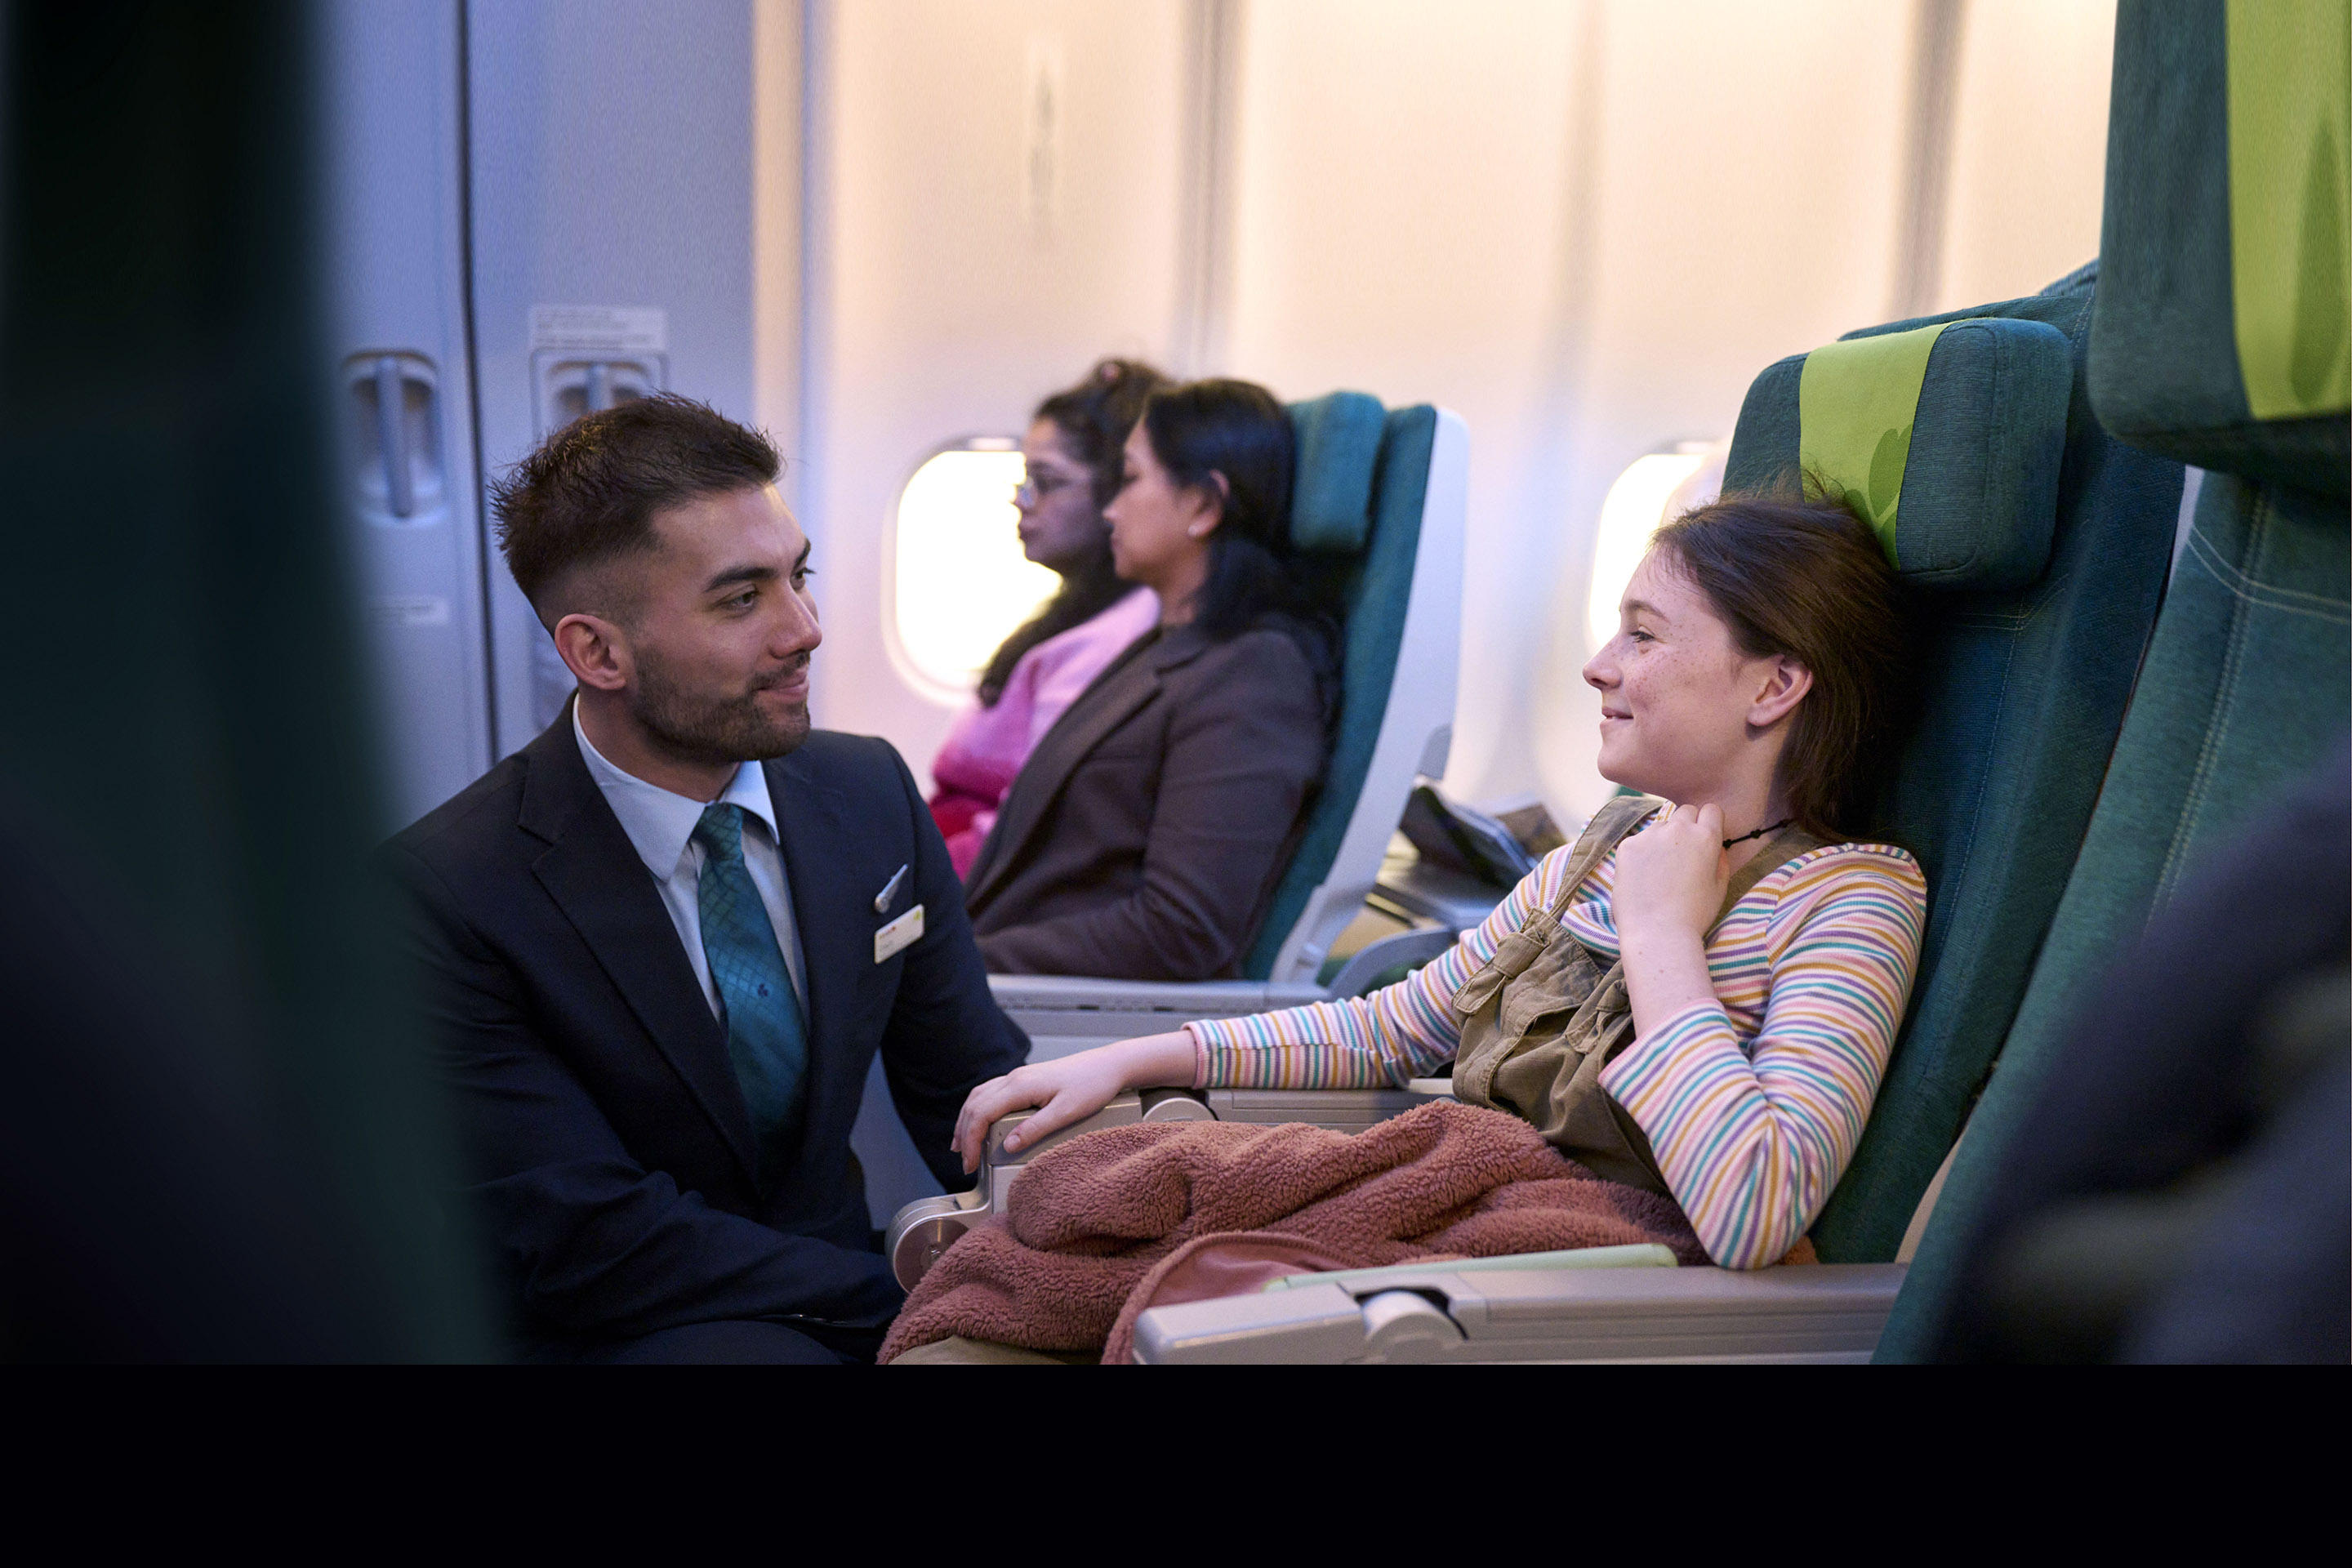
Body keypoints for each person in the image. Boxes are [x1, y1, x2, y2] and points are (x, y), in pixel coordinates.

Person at [953, 493, 1930, 1271]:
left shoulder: (1850, 900)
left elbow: (1754, 1210)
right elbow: (1391, 1027)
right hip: (1478, 1231)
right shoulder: (1608, 848)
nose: (1598, 666)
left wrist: (1664, 940)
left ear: (1774, 686)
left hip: (1584, 1301)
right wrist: (1133, 1061)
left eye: (1643, 635)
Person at [383, 395, 1027, 1362]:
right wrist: (918, 1290)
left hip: (839, 1284)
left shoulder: (867, 793)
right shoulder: (447, 893)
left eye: (797, 577)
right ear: (596, 652)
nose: (804, 629)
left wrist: (1085, 1237)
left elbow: (968, 1083)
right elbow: (592, 1237)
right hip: (621, 1324)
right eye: (741, 599)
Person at [960, 377, 1339, 980]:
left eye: (1131, 480)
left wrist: (956, 967)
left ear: (1203, 506)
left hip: (1046, 1007)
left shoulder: (1255, 675)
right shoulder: (1166, 644)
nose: (1110, 508)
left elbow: (1182, 929)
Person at [929, 360, 1165, 877]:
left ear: (1117, 491)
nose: (1020, 499)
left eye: (1046, 480)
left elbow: (1027, 825)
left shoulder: (1123, 632)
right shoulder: (1077, 614)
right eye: (1023, 478)